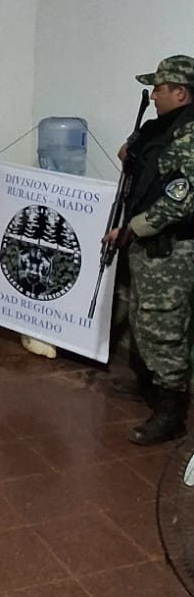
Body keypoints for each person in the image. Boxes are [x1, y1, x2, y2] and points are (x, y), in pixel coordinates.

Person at [104, 55, 194, 445]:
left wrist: (132, 229)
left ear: (180, 93)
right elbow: (138, 165)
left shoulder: (190, 136)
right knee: (143, 319)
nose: (153, 96)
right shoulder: (162, 129)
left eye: (159, 89)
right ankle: (149, 385)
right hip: (146, 245)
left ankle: (172, 412)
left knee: (165, 328)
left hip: (172, 250)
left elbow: (181, 201)